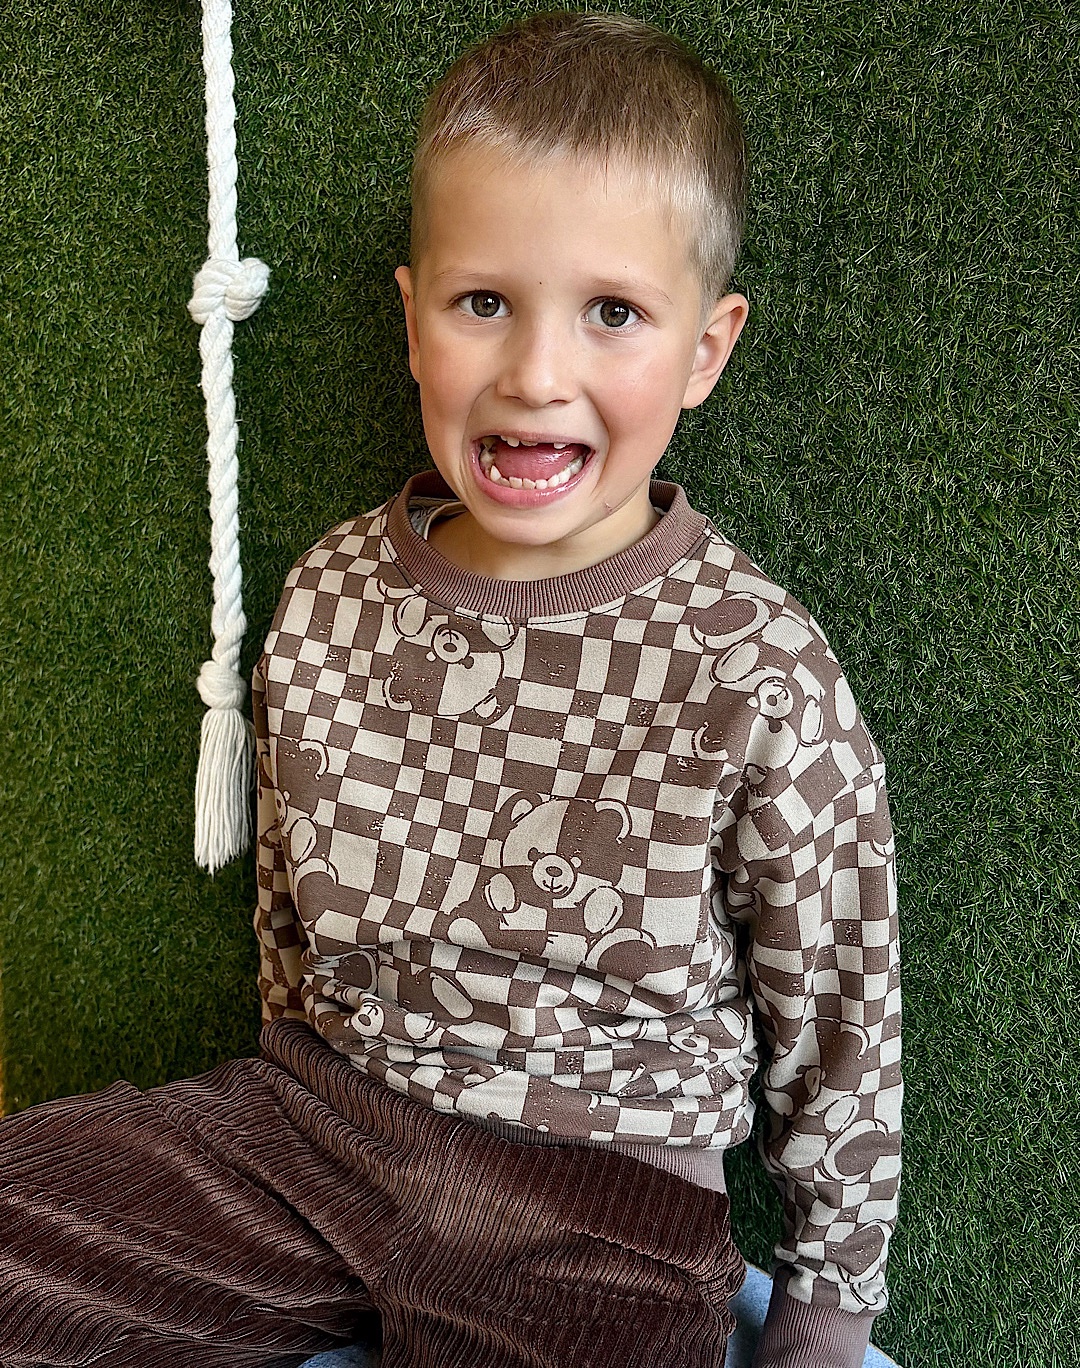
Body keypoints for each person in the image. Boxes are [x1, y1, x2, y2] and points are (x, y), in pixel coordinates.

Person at [0, 12, 901, 1368]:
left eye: (613, 315)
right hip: (316, 1132)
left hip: (598, 1202)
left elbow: (842, 1010)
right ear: (413, 318)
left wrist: (826, 1313)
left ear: (705, 351)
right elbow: (289, 923)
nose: (536, 376)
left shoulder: (755, 665)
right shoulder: (331, 592)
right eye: (485, 304)